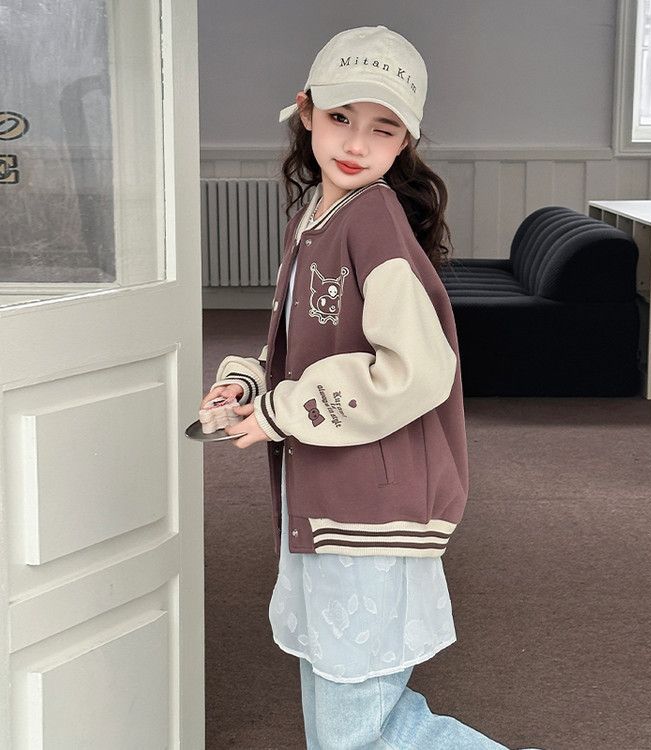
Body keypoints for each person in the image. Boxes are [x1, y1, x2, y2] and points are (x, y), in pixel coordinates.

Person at [200, 24, 543, 750]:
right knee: (356, 724)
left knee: (358, 733)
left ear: (405, 141)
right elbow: (306, 344)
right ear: (306, 111)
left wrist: (284, 410)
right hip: (331, 500)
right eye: (340, 117)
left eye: (382, 128)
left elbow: (418, 368)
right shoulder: (316, 218)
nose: (356, 143)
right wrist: (248, 384)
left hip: (367, 509)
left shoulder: (373, 220)